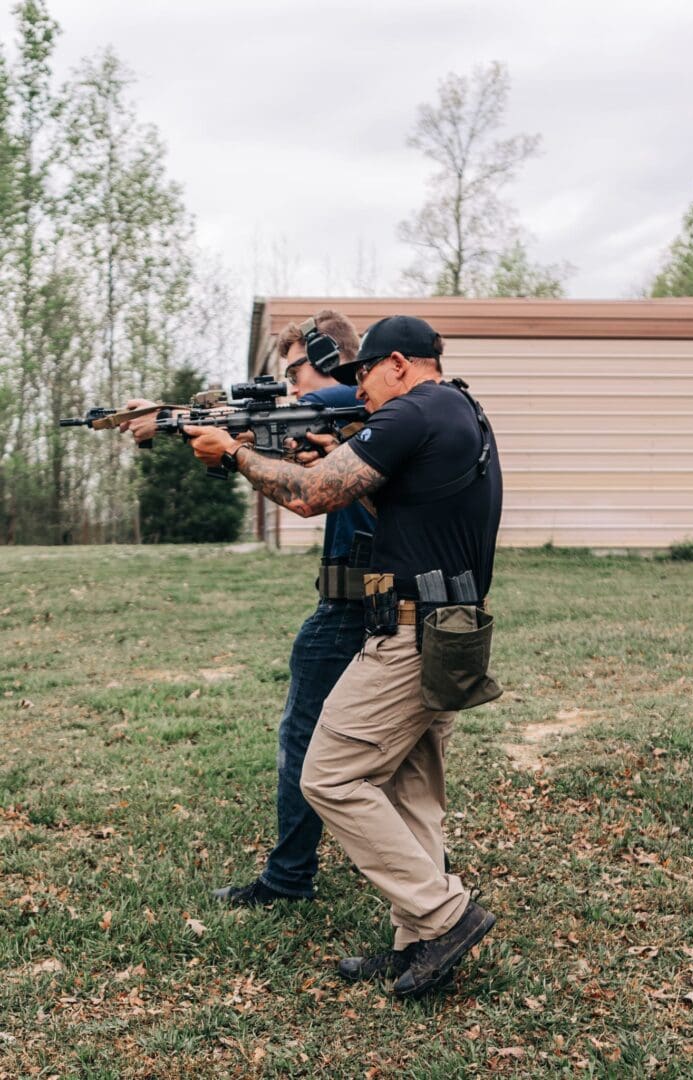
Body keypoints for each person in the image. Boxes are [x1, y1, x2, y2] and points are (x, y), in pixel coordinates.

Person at [184, 315, 503, 998]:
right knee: (411, 789)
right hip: (451, 626)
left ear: (394, 362)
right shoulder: (459, 410)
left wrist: (234, 454)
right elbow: (384, 488)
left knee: (329, 776)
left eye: (361, 379)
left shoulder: (414, 410)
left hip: (411, 632)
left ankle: (444, 917)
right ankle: (417, 940)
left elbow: (311, 498)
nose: (358, 395)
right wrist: (320, 452)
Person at [121, 310, 374, 905]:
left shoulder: (349, 398)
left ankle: (288, 880)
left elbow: (306, 448)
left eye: (295, 373)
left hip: (348, 609)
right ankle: (423, 868)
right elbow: (295, 482)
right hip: (375, 602)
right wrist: (217, 440)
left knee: (302, 736)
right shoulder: (349, 425)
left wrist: (169, 418)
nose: (290, 389)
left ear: (333, 362)